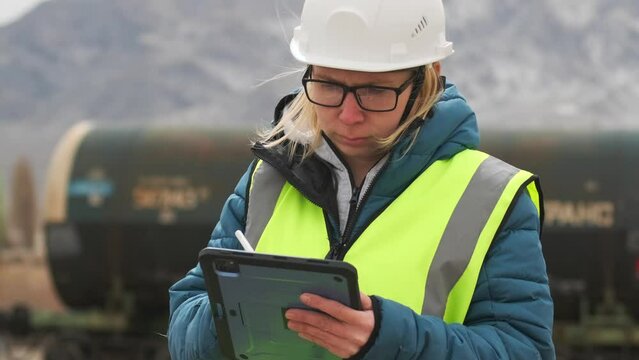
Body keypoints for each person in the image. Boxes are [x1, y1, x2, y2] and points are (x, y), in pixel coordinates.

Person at [167, 0, 555, 358]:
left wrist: (389, 340)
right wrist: (230, 321)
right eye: (330, 86)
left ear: (428, 78)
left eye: (374, 90)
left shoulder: (489, 197)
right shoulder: (268, 179)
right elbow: (185, 319)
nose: (349, 115)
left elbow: (525, 350)